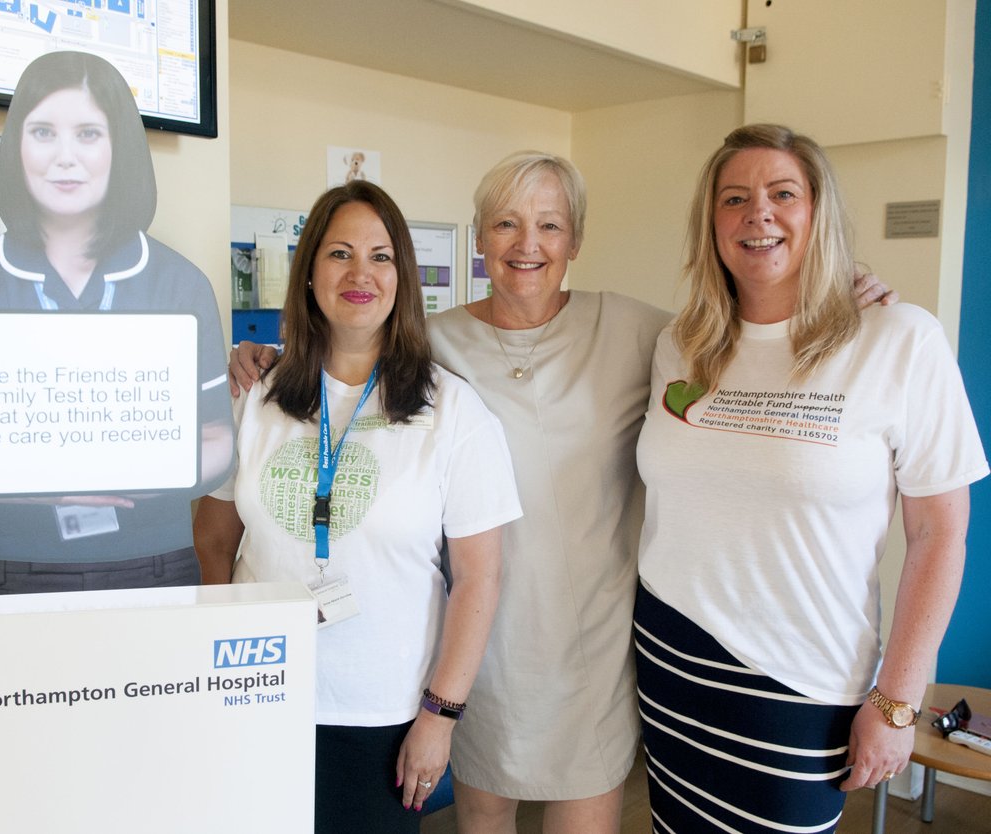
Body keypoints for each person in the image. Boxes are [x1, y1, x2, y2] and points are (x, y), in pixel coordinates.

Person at [229, 152, 897, 834]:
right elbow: (348, 360)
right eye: (506, 224)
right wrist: (264, 360)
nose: (528, 245)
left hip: (590, 647)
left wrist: (836, 283)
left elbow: (745, 331)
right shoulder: (434, 344)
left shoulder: (642, 332)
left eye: (550, 225)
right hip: (476, 647)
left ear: (575, 240)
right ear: (481, 237)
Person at [634, 123, 988, 832]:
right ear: (712, 223)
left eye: (782, 193)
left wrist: (896, 702)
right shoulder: (683, 343)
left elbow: (939, 533)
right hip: (671, 656)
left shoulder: (898, 339)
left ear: (817, 212)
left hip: (804, 678)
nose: (757, 213)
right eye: (734, 198)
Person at [193, 180, 521, 834]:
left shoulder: (451, 413)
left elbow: (480, 578)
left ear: (402, 276)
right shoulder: (254, 396)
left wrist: (439, 716)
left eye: (380, 256)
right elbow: (213, 537)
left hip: (381, 715)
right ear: (309, 273)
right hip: (257, 694)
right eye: (340, 253)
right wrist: (218, 652)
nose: (360, 273)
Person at [0, 51, 233, 595]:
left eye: (87, 133)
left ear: (118, 148)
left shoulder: (181, 284)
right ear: (18, 146)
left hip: (156, 563)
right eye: (42, 132)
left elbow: (219, 440)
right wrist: (29, 487)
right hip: (14, 563)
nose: (64, 157)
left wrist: (138, 479)